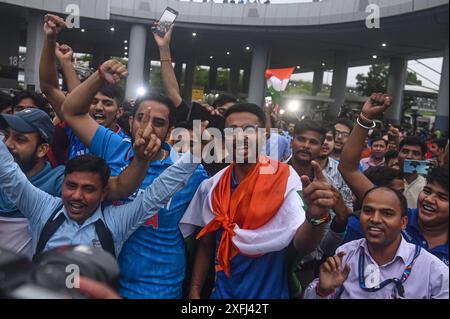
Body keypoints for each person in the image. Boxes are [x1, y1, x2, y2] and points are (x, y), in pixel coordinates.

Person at [60, 59, 209, 299]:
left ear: (170, 131)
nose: (147, 128)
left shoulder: (190, 172)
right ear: (130, 121)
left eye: (159, 123)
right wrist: (99, 76)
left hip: (158, 285)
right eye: (141, 118)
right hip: (104, 277)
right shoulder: (113, 147)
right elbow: (71, 110)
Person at [181, 103, 335, 299]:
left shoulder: (285, 178)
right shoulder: (212, 186)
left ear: (263, 136)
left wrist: (316, 217)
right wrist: (195, 290)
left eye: (249, 130)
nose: (240, 137)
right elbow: (206, 244)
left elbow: (301, 245)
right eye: (231, 131)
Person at [0, 127, 201, 259]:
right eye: (71, 186)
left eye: (89, 189)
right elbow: (9, 173)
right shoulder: (42, 209)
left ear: (104, 193)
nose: (77, 196)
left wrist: (199, 151)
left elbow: (157, 194)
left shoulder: (116, 222)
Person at [338, 93, 448, 265]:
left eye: (442, 197)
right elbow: (348, 168)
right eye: (427, 190)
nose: (429, 199)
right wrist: (366, 118)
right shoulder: (395, 216)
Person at [304, 186, 448, 299]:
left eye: (387, 213)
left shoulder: (433, 270)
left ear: (403, 222)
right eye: (368, 211)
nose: (375, 219)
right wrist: (322, 291)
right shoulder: (346, 254)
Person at [39, 14, 129, 164]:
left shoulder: (124, 145)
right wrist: (50, 39)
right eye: (94, 101)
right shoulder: (77, 126)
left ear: (119, 112)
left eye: (107, 103)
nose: (99, 107)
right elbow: (49, 88)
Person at [398, 136, 428, 208]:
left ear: (423, 159)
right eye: (405, 152)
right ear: (398, 154)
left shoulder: (426, 186)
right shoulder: (386, 179)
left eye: (416, 153)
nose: (409, 156)